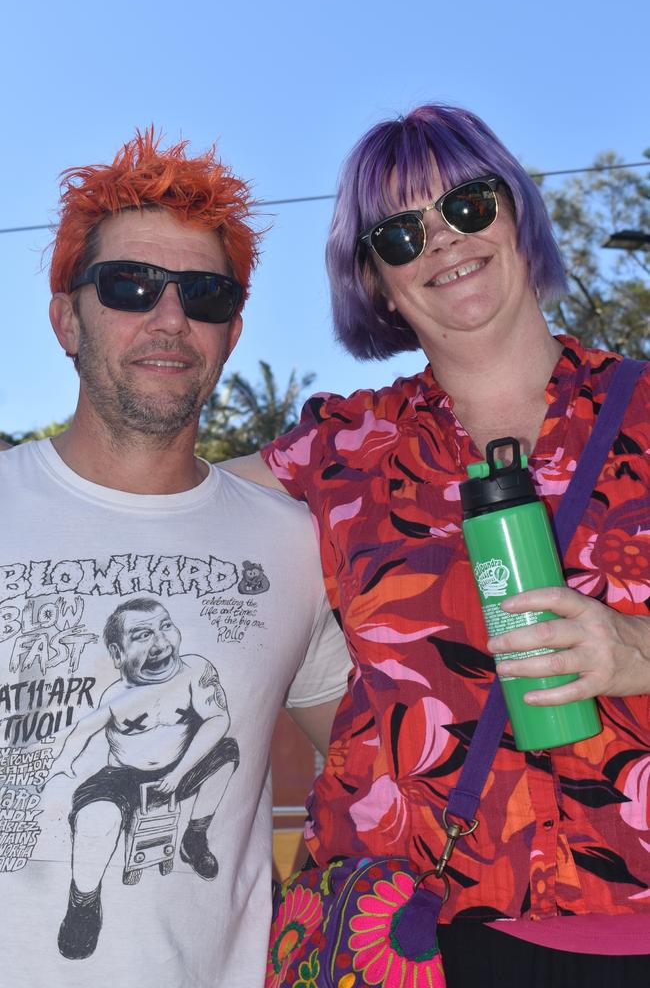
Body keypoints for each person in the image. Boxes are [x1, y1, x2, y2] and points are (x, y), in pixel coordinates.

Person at [227, 105, 650, 985]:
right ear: (376, 280)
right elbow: (158, 497)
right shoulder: (340, 450)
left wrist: (637, 650)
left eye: (466, 205)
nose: (443, 242)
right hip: (412, 940)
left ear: (517, 213)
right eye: (399, 232)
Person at [0, 130, 350, 988]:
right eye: (129, 286)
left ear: (230, 333)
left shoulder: (290, 543)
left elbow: (373, 753)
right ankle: (89, 897)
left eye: (203, 294)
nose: (169, 319)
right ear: (65, 320)